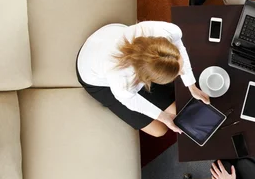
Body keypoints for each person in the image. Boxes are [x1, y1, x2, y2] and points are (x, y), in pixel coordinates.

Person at [76, 21, 209, 137]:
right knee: (160, 130)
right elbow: (130, 101)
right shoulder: (123, 82)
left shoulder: (165, 31)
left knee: (177, 111)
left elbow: (178, 45)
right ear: (149, 79)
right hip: (94, 76)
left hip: (108, 36)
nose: (182, 72)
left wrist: (191, 85)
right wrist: (163, 118)